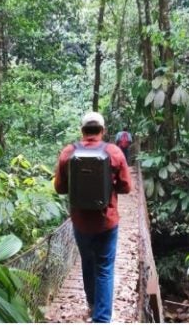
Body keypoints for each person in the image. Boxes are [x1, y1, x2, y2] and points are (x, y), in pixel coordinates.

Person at [54, 111, 133, 323]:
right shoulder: (114, 152)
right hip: (106, 222)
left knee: (87, 263)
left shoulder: (68, 153)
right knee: (104, 269)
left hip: (80, 223)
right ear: (103, 130)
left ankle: (91, 303)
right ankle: (102, 318)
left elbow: (60, 188)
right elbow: (126, 187)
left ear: (82, 130)